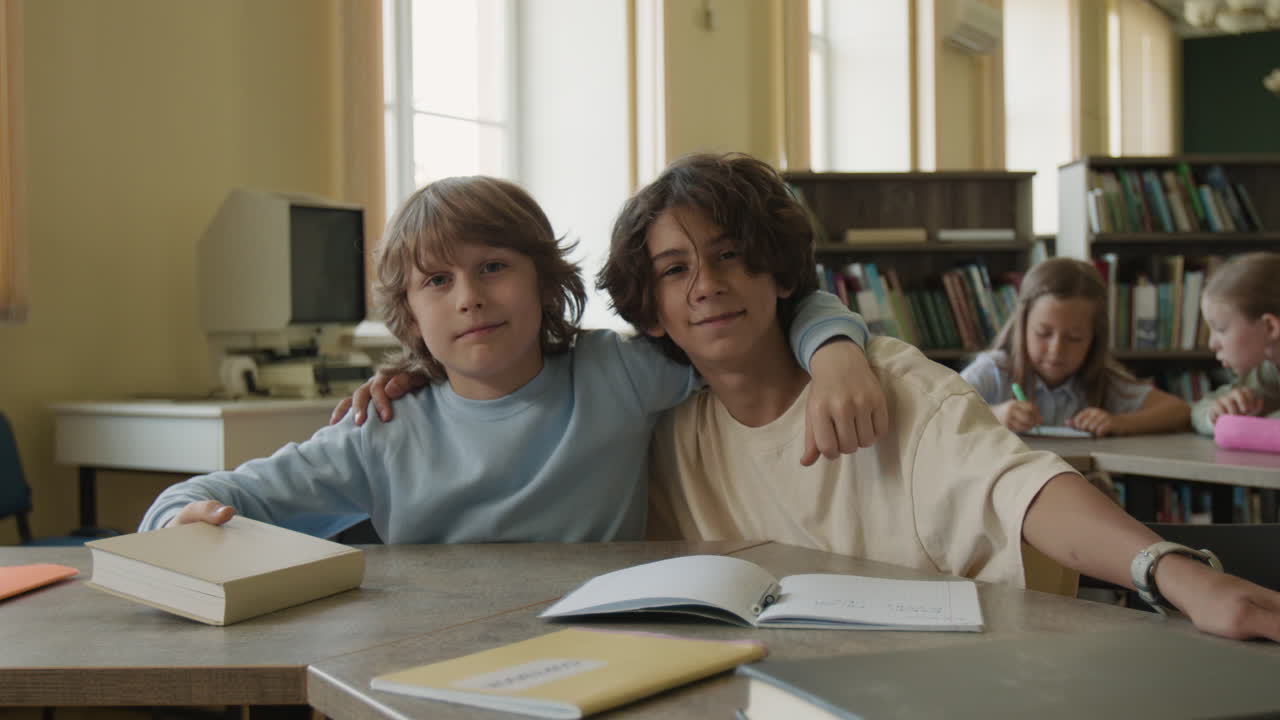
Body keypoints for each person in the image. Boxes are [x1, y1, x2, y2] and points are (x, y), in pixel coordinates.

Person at [597, 152, 1278, 642]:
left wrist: (1175, 572)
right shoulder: (659, 422)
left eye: (728, 256)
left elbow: (1020, 487)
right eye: (675, 270)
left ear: (779, 274)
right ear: (650, 310)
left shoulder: (889, 382)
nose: (706, 285)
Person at [140, 175, 886, 541]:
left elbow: (748, 323)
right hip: (437, 669)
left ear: (544, 281)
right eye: (438, 280)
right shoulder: (384, 427)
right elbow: (208, 495)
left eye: (493, 266)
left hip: (605, 653)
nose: (469, 297)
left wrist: (834, 352)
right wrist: (180, 521)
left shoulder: (618, 373)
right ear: (411, 314)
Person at [960, 257, 1190, 436]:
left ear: (1094, 338)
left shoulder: (1101, 381)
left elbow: (1179, 411)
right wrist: (994, 415)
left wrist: (1118, 422)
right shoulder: (995, 371)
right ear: (1022, 326)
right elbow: (935, 413)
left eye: (1075, 338)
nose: (1056, 349)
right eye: (1043, 333)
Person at [1190, 252, 1280, 435]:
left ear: (1270, 327)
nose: (1212, 344)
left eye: (1221, 329)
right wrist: (1218, 413)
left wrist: (1245, 426)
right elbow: (1198, 410)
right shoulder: (1270, 370)